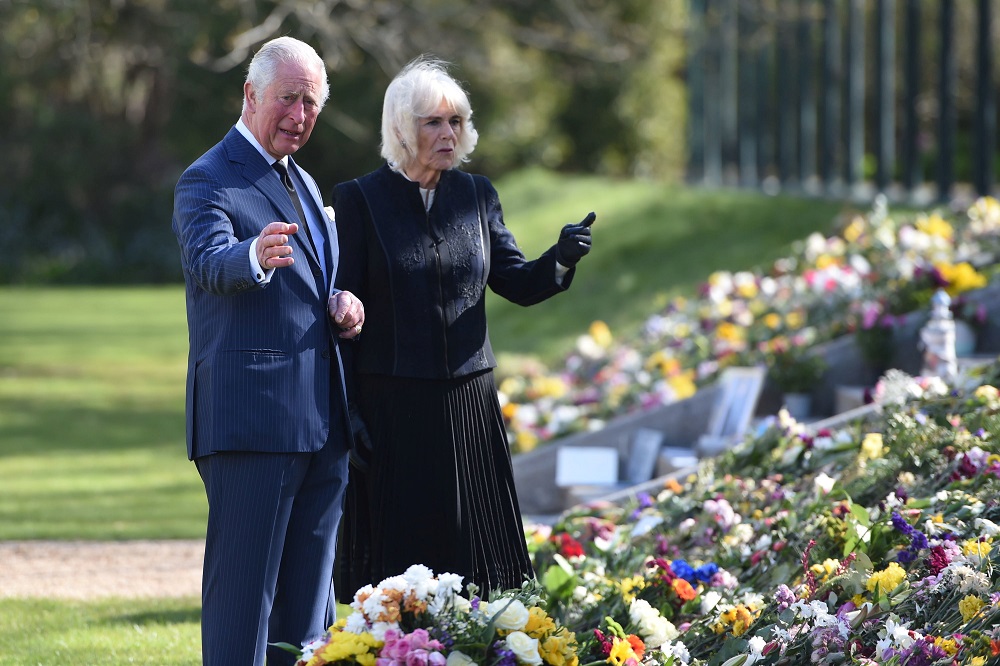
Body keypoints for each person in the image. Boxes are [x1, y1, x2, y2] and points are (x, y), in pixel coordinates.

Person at [332, 56, 595, 599]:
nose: (449, 133)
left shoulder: (477, 195)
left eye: (456, 122)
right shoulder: (359, 199)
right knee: (399, 559)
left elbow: (517, 281)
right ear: (403, 129)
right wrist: (349, 408)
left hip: (468, 401)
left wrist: (561, 258)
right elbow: (343, 312)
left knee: (472, 556)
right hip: (391, 404)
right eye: (434, 122)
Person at [171, 36, 365, 666]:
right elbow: (209, 261)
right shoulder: (207, 178)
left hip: (321, 424)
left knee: (307, 614)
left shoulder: (305, 183)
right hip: (252, 424)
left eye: (311, 103)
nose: (300, 115)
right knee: (242, 602)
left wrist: (340, 302)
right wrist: (252, 257)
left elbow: (312, 282)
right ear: (250, 95)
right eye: (289, 98)